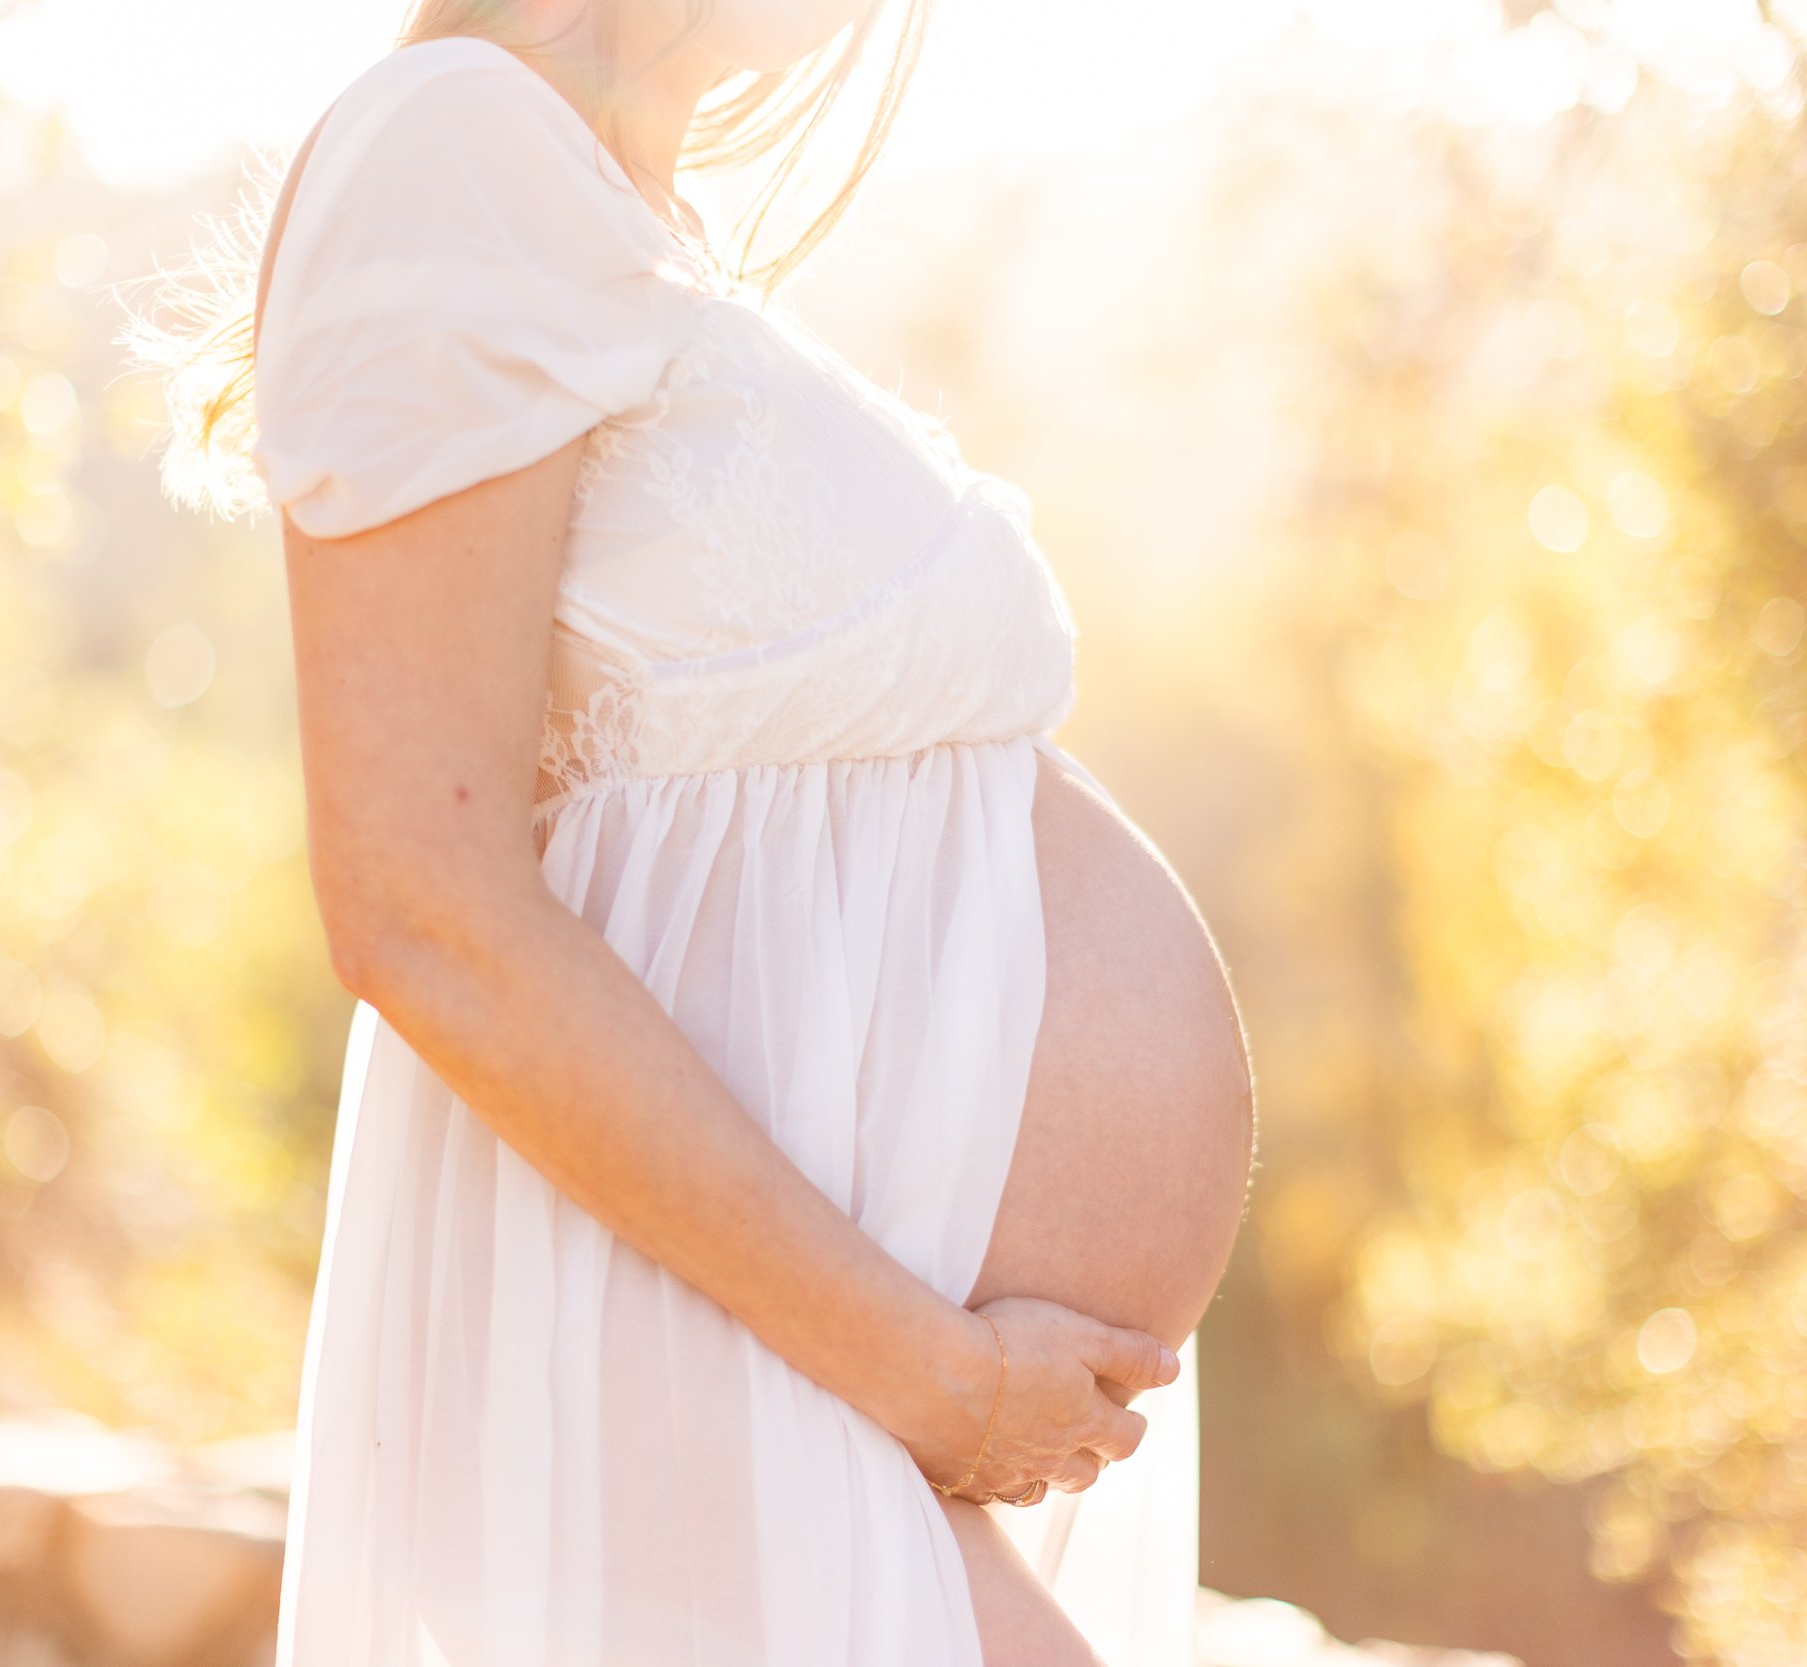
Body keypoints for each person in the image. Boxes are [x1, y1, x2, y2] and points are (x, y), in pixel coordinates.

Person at [143, 1, 1255, 1660]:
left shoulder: (628, 216)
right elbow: (419, 904)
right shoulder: (453, 143)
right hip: (722, 1349)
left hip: (800, 1379)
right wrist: (927, 1369)